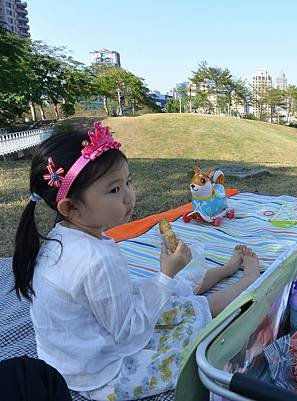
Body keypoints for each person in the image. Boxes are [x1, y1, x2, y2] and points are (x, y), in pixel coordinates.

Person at [12, 122, 260, 401]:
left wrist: (165, 280)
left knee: (172, 293)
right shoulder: (96, 260)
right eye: (114, 190)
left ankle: (227, 269)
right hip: (104, 375)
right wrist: (165, 275)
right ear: (71, 206)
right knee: (190, 315)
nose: (129, 195)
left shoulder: (61, 236)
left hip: (70, 359)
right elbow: (128, 333)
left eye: (127, 182)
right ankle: (250, 280)